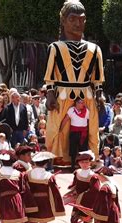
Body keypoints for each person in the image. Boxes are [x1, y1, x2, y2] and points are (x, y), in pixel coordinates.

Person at [44, 1, 104, 164]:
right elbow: (50, 75)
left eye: (82, 19)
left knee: (91, 130)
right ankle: (58, 158)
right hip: (62, 95)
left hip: (87, 96)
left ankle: (90, 158)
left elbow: (97, 78)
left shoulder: (95, 49)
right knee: (57, 130)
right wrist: (50, 94)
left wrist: (99, 95)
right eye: (73, 19)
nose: (78, 23)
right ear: (63, 20)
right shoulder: (55, 48)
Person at [23, 151, 65, 223]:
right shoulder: (49, 176)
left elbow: (25, 189)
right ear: (46, 164)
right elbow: (55, 192)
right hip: (45, 204)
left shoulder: (28, 174)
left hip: (32, 203)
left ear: (35, 163)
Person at [66, 151, 98, 223]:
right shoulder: (77, 172)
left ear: (90, 162)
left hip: (87, 203)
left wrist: (82, 196)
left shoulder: (93, 176)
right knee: (73, 220)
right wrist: (71, 189)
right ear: (79, 163)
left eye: (86, 162)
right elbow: (75, 183)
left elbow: (95, 190)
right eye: (82, 162)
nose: (84, 164)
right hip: (77, 201)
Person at [60, 98, 90, 170]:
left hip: (83, 133)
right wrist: (60, 129)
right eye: (81, 103)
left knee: (83, 150)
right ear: (76, 103)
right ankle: (72, 166)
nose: (82, 104)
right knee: (73, 150)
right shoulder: (71, 110)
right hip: (74, 133)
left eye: (83, 103)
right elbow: (66, 119)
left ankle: (82, 166)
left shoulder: (86, 111)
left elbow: (88, 121)